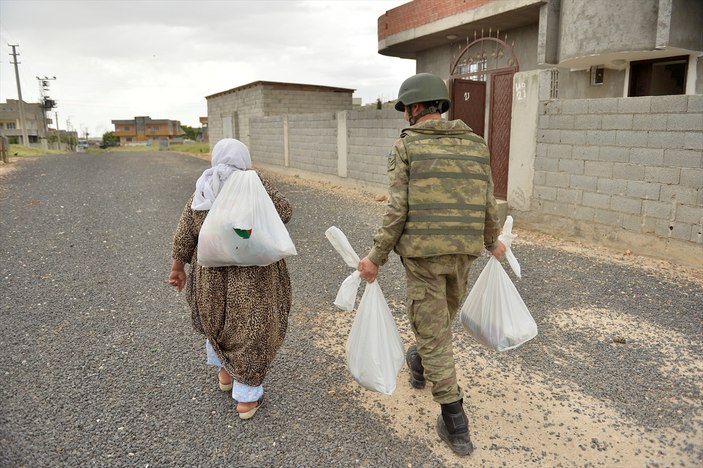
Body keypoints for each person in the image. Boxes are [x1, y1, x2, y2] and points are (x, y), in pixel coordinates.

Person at [357, 73, 506, 456]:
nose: (405, 114)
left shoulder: (407, 147)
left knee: (433, 329)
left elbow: (397, 209)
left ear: (418, 106)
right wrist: (492, 241)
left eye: (406, 107)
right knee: (438, 325)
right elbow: (489, 200)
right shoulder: (476, 144)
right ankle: (421, 363)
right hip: (463, 251)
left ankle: (455, 420)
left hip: (423, 254)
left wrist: (376, 256)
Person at [168, 138, 293, 420]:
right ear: (244, 160)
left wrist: (178, 268)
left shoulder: (204, 186)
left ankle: (226, 374)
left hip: (211, 278)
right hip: (252, 279)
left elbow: (185, 231)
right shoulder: (253, 182)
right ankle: (246, 399)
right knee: (253, 330)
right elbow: (284, 211)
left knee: (220, 323)